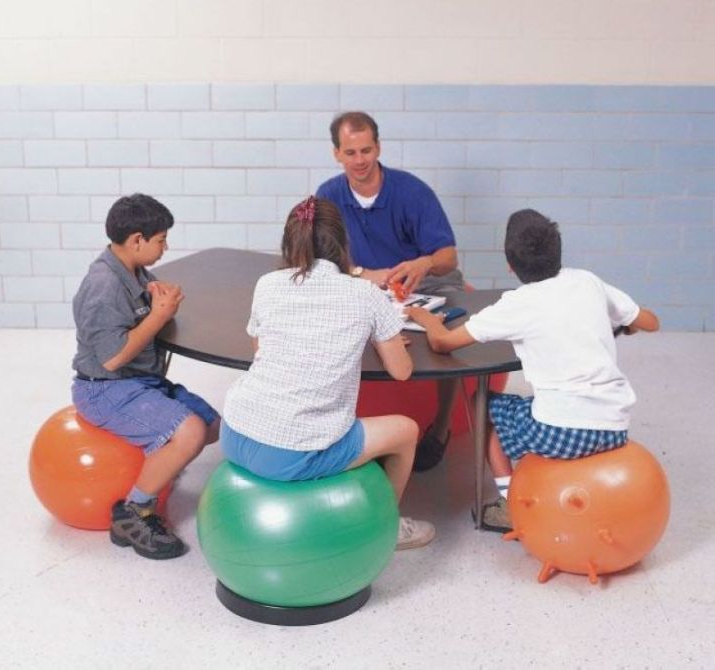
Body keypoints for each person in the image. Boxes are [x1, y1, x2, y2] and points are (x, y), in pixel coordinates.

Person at [406, 208, 660, 529]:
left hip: (561, 432)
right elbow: (650, 322)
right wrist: (630, 324)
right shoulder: (587, 281)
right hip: (615, 427)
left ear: (510, 266)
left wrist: (424, 317)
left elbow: (443, 343)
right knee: (525, 405)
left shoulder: (516, 305)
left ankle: (509, 503)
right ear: (558, 251)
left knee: (483, 406)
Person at [220, 196, 435, 550]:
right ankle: (389, 527)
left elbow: (262, 352)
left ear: (290, 242)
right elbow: (401, 371)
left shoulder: (267, 284)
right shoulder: (366, 295)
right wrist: (376, 336)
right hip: (290, 454)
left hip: (236, 432)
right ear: (343, 244)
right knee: (406, 431)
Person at [315, 110, 473, 480]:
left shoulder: (412, 191)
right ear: (336, 153)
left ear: (378, 147)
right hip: (362, 288)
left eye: (366, 151)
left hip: (426, 287)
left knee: (445, 342)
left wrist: (424, 263)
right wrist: (361, 275)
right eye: (350, 153)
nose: (360, 161)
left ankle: (441, 428)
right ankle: (341, 430)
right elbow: (322, 260)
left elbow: (449, 259)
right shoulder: (328, 195)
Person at [71, 194, 221, 560]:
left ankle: (161, 466)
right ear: (137, 239)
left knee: (212, 424)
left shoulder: (134, 270)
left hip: (140, 382)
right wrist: (158, 316)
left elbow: (150, 313)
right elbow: (111, 359)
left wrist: (163, 304)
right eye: (161, 240)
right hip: (105, 388)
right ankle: (133, 512)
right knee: (191, 432)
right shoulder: (104, 287)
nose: (165, 247)